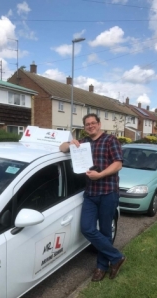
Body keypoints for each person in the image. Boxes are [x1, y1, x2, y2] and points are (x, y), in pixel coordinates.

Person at [59, 113, 126, 282]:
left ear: (99, 124)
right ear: (84, 127)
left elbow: (118, 164)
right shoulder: (83, 143)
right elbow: (61, 148)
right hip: (90, 193)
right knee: (87, 228)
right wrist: (70, 143)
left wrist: (100, 174)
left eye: (93, 123)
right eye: (87, 124)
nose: (90, 126)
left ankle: (101, 267)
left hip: (108, 192)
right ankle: (116, 257)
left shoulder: (110, 140)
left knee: (105, 231)